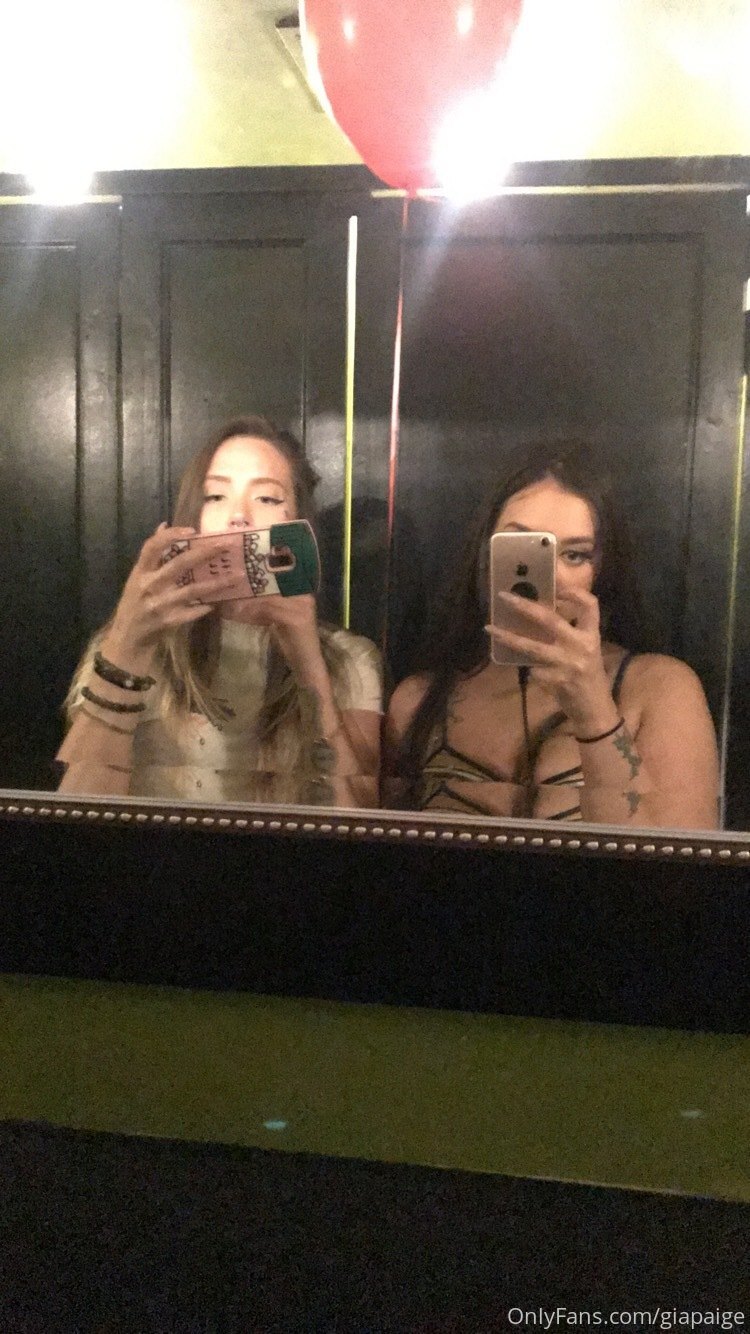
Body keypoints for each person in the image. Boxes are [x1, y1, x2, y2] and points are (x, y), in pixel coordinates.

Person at [384, 441, 719, 829]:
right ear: (484, 555)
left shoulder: (658, 689)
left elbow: (675, 862)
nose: (550, 578)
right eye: (522, 549)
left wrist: (594, 710)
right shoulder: (418, 701)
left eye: (575, 555)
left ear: (601, 570)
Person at [57, 416, 382, 806]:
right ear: (192, 518)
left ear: (297, 522)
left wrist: (309, 665)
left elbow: (355, 826)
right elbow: (76, 821)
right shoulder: (125, 648)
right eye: (215, 496)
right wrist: (127, 644)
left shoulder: (349, 661)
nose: (239, 515)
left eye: (267, 498)